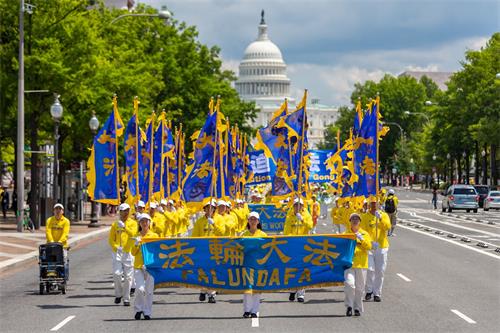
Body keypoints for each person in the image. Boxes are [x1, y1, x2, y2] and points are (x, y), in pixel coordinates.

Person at [192, 199, 225, 303]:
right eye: (207, 208)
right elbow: (194, 236)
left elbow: (222, 233)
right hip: (202, 249)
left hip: (215, 250)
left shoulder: (219, 219)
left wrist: (214, 224)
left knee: (213, 272)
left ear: (214, 209)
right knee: (202, 271)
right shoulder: (199, 221)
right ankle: (203, 290)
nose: (209, 210)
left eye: (212, 208)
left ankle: (212, 294)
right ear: (205, 209)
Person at [362, 197, 391, 302]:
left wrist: (380, 219)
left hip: (382, 246)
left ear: (379, 204)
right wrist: (369, 242)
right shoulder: (364, 217)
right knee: (370, 270)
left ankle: (377, 293)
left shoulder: (384, 215)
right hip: (369, 247)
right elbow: (362, 232)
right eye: (372, 204)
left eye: (376, 204)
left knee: (380, 271)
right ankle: (369, 290)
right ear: (369, 205)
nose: (374, 206)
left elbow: (387, 227)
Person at [284, 197, 313, 302]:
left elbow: (310, 226)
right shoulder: (289, 216)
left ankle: (301, 293)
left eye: (299, 205)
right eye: (296, 205)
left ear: (303, 206)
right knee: (293, 268)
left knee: (303, 269)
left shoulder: (306, 215)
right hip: (293, 245)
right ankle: (292, 290)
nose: (297, 207)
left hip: (304, 245)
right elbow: (286, 231)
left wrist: (302, 219)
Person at [108, 203, 138, 306]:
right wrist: (115, 247)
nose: (126, 213)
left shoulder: (133, 223)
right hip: (117, 252)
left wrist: (125, 227)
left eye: (127, 210)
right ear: (120, 212)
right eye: (124, 211)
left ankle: (126, 298)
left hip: (128, 251)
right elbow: (111, 239)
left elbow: (133, 234)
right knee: (117, 274)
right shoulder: (115, 224)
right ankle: (118, 294)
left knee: (128, 277)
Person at [344, 213, 372, 317]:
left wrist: (361, 239)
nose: (355, 220)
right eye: (353, 219)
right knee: (350, 285)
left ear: (360, 221)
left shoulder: (364, 234)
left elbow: (369, 246)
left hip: (361, 264)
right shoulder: (345, 234)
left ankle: (357, 308)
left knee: (360, 288)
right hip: (349, 264)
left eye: (357, 219)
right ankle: (349, 306)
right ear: (350, 221)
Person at [131, 213, 158, 320]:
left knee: (149, 291)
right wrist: (137, 244)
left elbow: (157, 251)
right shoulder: (136, 236)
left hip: (150, 267)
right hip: (138, 266)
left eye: (146, 221)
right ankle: (138, 309)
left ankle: (147, 312)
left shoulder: (154, 236)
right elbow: (133, 253)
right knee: (140, 289)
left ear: (149, 222)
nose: (144, 223)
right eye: (142, 221)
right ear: (139, 223)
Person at [241, 212, 267, 318]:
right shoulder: (244, 235)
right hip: (247, 264)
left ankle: (254, 311)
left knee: (257, 288)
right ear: (248, 221)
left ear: (258, 221)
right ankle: (247, 310)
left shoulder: (263, 235)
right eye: (251, 219)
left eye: (255, 219)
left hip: (259, 265)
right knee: (247, 288)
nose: (253, 221)